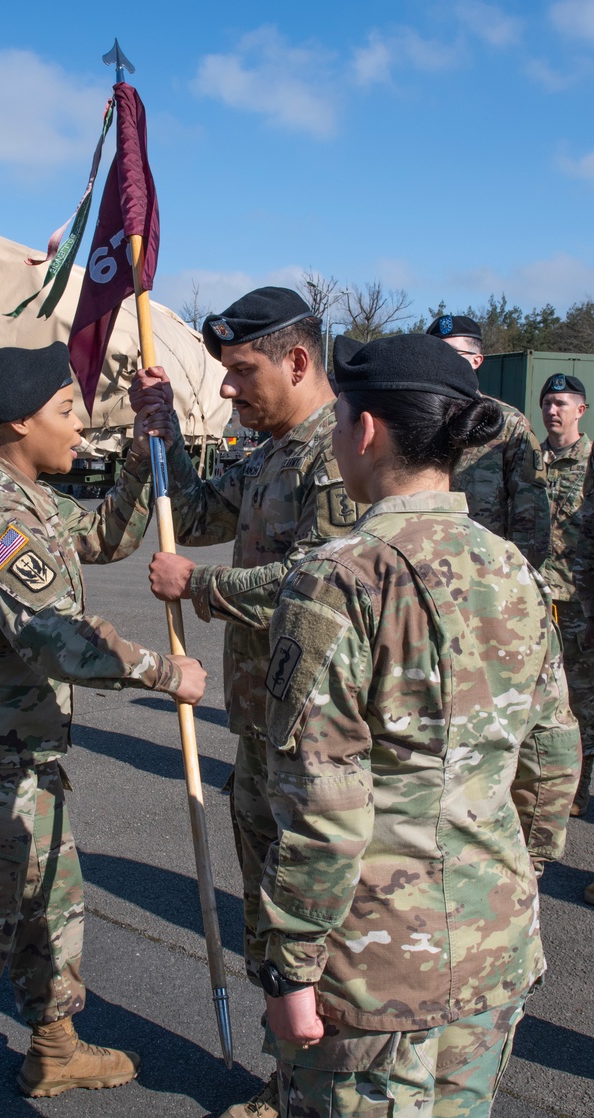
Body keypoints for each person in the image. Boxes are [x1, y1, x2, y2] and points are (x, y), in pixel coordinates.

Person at [242, 333, 580, 1118]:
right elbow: (553, 754)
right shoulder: (510, 567)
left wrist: (289, 967)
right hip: (495, 950)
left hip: (374, 974)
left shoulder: (338, 578)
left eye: (338, 425)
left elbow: (324, 805)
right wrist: (512, 876)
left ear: (365, 432)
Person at [0, 342, 207, 1117]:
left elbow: (107, 536)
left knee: (53, 903)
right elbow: (58, 639)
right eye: (66, 412)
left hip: (24, 760)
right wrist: (163, 671)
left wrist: (148, 456)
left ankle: (53, 1048)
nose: (80, 431)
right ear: (17, 422)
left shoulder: (29, 497)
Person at [130, 287, 363, 1118]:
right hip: (264, 730)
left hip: (317, 744)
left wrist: (206, 588)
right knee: (270, 922)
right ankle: (292, 1080)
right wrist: (156, 434)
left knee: (314, 929)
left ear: (298, 362)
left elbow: (330, 587)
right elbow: (191, 514)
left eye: (241, 371)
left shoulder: (334, 458)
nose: (227, 389)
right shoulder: (272, 450)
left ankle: (331, 1087)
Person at [426, 313, 550, 566]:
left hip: (487, 572)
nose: (439, 362)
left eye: (452, 354)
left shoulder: (507, 423)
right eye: (433, 353)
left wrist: (519, 578)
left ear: (476, 361)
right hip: (426, 566)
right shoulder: (418, 419)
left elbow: (530, 514)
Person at [538, 373, 594, 818]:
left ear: (581, 410)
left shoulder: (591, 464)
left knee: (582, 698)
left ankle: (579, 790)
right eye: (546, 403)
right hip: (534, 599)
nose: (551, 411)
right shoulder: (528, 461)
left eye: (560, 403)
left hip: (579, 600)